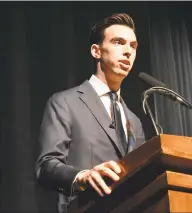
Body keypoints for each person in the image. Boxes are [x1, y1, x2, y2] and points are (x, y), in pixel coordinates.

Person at [35, 13, 146, 213]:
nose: (128, 52)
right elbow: (46, 167)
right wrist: (82, 176)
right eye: (119, 42)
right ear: (96, 51)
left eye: (133, 46)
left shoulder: (135, 122)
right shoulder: (65, 102)